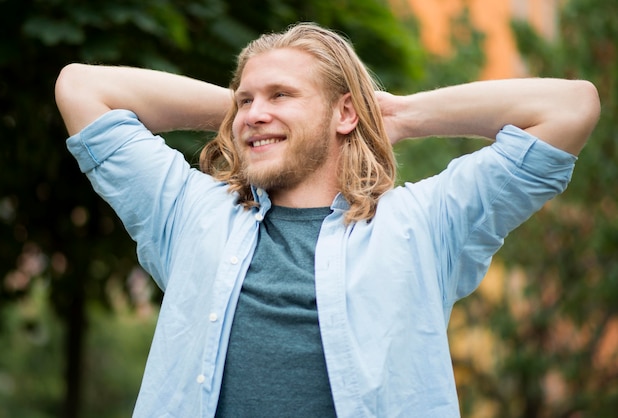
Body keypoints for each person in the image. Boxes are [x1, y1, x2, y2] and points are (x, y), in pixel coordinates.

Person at [55, 22, 600, 418]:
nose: (253, 113)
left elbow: (571, 106)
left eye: (281, 95)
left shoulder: (425, 224)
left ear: (345, 114)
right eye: (244, 101)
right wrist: (253, 111)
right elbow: (81, 87)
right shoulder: (189, 211)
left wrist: (399, 114)